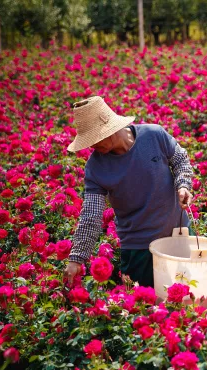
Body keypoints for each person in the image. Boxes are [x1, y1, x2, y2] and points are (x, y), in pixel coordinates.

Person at [63, 96, 193, 287]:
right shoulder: (95, 167)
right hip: (139, 250)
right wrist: (76, 258)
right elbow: (91, 214)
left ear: (110, 128)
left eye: (95, 138)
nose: (92, 146)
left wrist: (183, 186)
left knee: (185, 300)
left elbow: (181, 160)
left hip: (178, 235)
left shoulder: (154, 135)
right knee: (146, 309)